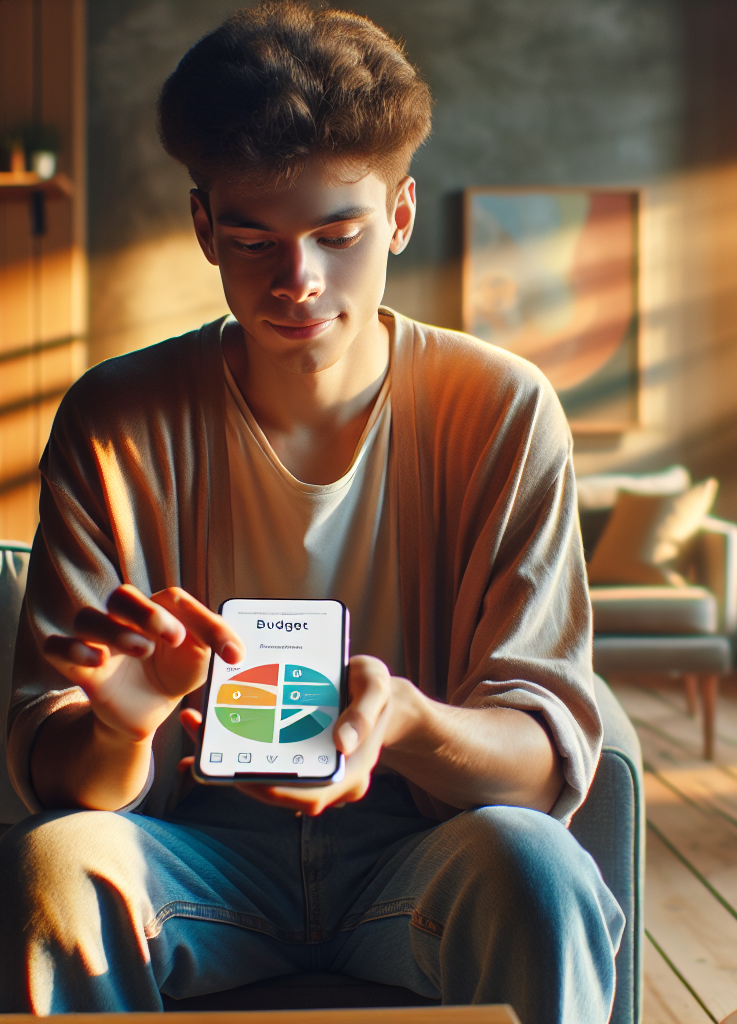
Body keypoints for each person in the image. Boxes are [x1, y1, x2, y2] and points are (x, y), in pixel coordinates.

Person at [0, 4, 623, 1021]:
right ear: (205, 226)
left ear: (400, 217)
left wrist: (407, 720)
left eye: (339, 235)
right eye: (253, 240)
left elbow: (542, 753)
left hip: (416, 855)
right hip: (194, 856)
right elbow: (60, 769)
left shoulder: (502, 409)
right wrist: (124, 726)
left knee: (535, 866)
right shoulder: (116, 420)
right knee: (57, 865)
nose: (299, 282)